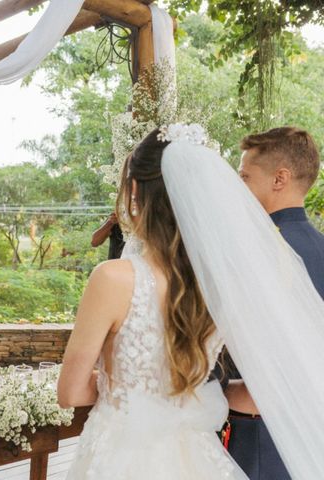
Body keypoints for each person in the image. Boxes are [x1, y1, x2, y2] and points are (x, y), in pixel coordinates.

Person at [58, 124, 324, 479]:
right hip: (201, 457)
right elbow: (270, 381)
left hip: (122, 457)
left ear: (135, 190)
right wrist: (192, 395)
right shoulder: (227, 282)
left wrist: (123, 389)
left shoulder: (112, 279)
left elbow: (71, 392)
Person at [221, 127, 324, 479]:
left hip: (259, 435)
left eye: (245, 176)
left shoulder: (262, 253)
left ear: (280, 178)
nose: (239, 187)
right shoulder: (319, 246)